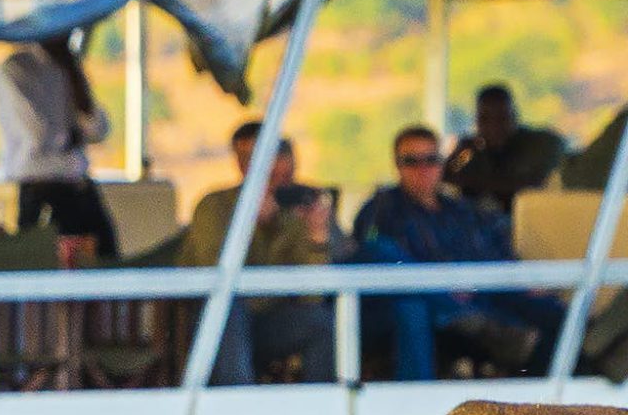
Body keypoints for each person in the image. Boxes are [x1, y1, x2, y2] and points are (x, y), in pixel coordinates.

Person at [353, 124, 560, 380]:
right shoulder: (382, 209)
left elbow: (494, 253)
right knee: (406, 289)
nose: (422, 169)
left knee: (553, 313)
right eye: (411, 161)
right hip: (430, 309)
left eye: (431, 160)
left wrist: (521, 280)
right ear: (397, 165)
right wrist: (442, 286)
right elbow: (372, 256)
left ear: (442, 163)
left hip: (484, 295)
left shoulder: (462, 211)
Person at [178, 123, 336, 384]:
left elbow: (313, 294)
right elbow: (216, 274)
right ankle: (240, 405)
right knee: (229, 311)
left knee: (319, 322)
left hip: (272, 321)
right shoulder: (215, 206)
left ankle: (319, 409)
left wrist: (316, 238)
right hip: (220, 321)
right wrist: (253, 226)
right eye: (250, 158)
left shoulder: (301, 205)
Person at [0, 33, 117, 256]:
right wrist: (71, 136)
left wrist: (76, 81)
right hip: (40, 187)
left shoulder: (68, 69)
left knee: (105, 259)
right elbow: (38, 132)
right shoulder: (16, 69)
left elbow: (98, 130)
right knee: (43, 263)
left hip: (78, 186)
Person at [444, 83, 568, 213]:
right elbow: (446, 175)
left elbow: (530, 185)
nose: (493, 127)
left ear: (514, 116)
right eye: (485, 119)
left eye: (501, 118)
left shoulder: (537, 144)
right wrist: (462, 152)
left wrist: (473, 180)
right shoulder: (470, 151)